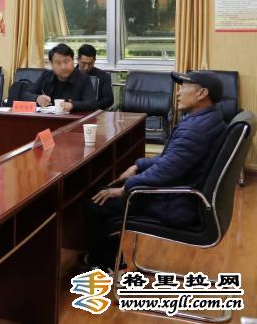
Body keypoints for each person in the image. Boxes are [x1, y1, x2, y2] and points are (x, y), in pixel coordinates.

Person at [85, 71, 226, 270]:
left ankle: (103, 265)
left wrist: (126, 188)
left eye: (184, 87)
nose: (178, 93)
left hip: (176, 203)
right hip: (182, 194)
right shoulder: (210, 119)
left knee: (97, 202)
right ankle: (110, 260)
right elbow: (172, 160)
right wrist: (138, 165)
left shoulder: (195, 130)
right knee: (104, 193)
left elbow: (164, 172)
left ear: (202, 93)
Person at [22, 44, 96, 112]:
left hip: (72, 119)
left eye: (66, 62)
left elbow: (92, 104)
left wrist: (72, 105)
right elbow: (26, 95)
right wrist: (37, 98)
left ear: (73, 60)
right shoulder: (47, 76)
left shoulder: (83, 78)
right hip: (48, 118)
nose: (63, 67)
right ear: (51, 64)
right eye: (58, 63)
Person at [76, 44, 114, 110]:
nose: (86, 67)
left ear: (94, 60)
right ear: (78, 59)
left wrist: (90, 106)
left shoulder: (103, 76)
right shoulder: (69, 75)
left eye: (90, 63)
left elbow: (109, 100)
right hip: (74, 111)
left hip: (95, 111)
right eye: (83, 63)